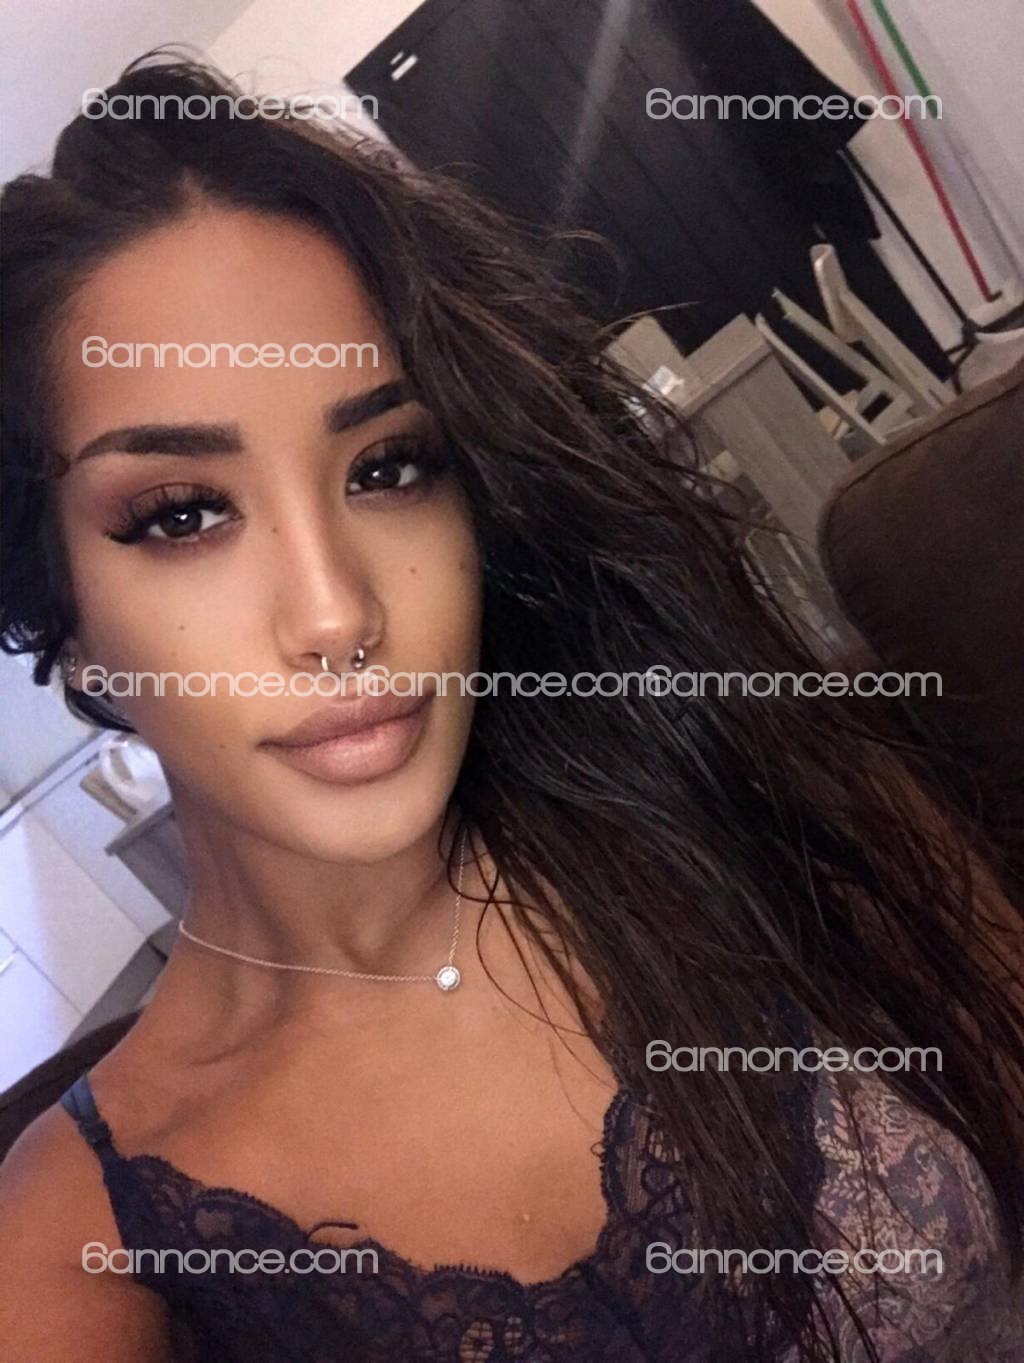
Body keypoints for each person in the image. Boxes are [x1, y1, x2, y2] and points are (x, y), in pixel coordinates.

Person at [0, 55, 1021, 1363]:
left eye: (389, 466)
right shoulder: (76, 1245)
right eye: (183, 513)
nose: (337, 614)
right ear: (67, 608)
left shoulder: (756, 781)